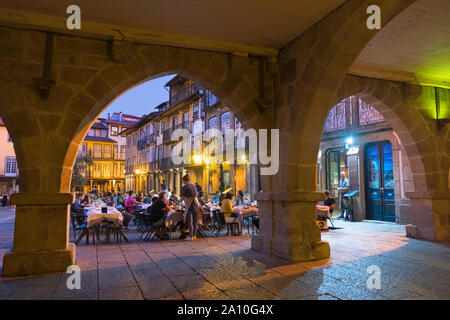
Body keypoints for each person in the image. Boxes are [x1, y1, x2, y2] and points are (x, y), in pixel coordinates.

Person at [180, 175, 200, 240]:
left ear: (184, 180)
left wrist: (179, 201)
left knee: (190, 222)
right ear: (189, 180)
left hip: (189, 205)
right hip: (195, 205)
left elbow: (183, 197)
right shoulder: (194, 186)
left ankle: (191, 236)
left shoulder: (184, 187)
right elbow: (196, 196)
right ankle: (194, 236)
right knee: (195, 221)